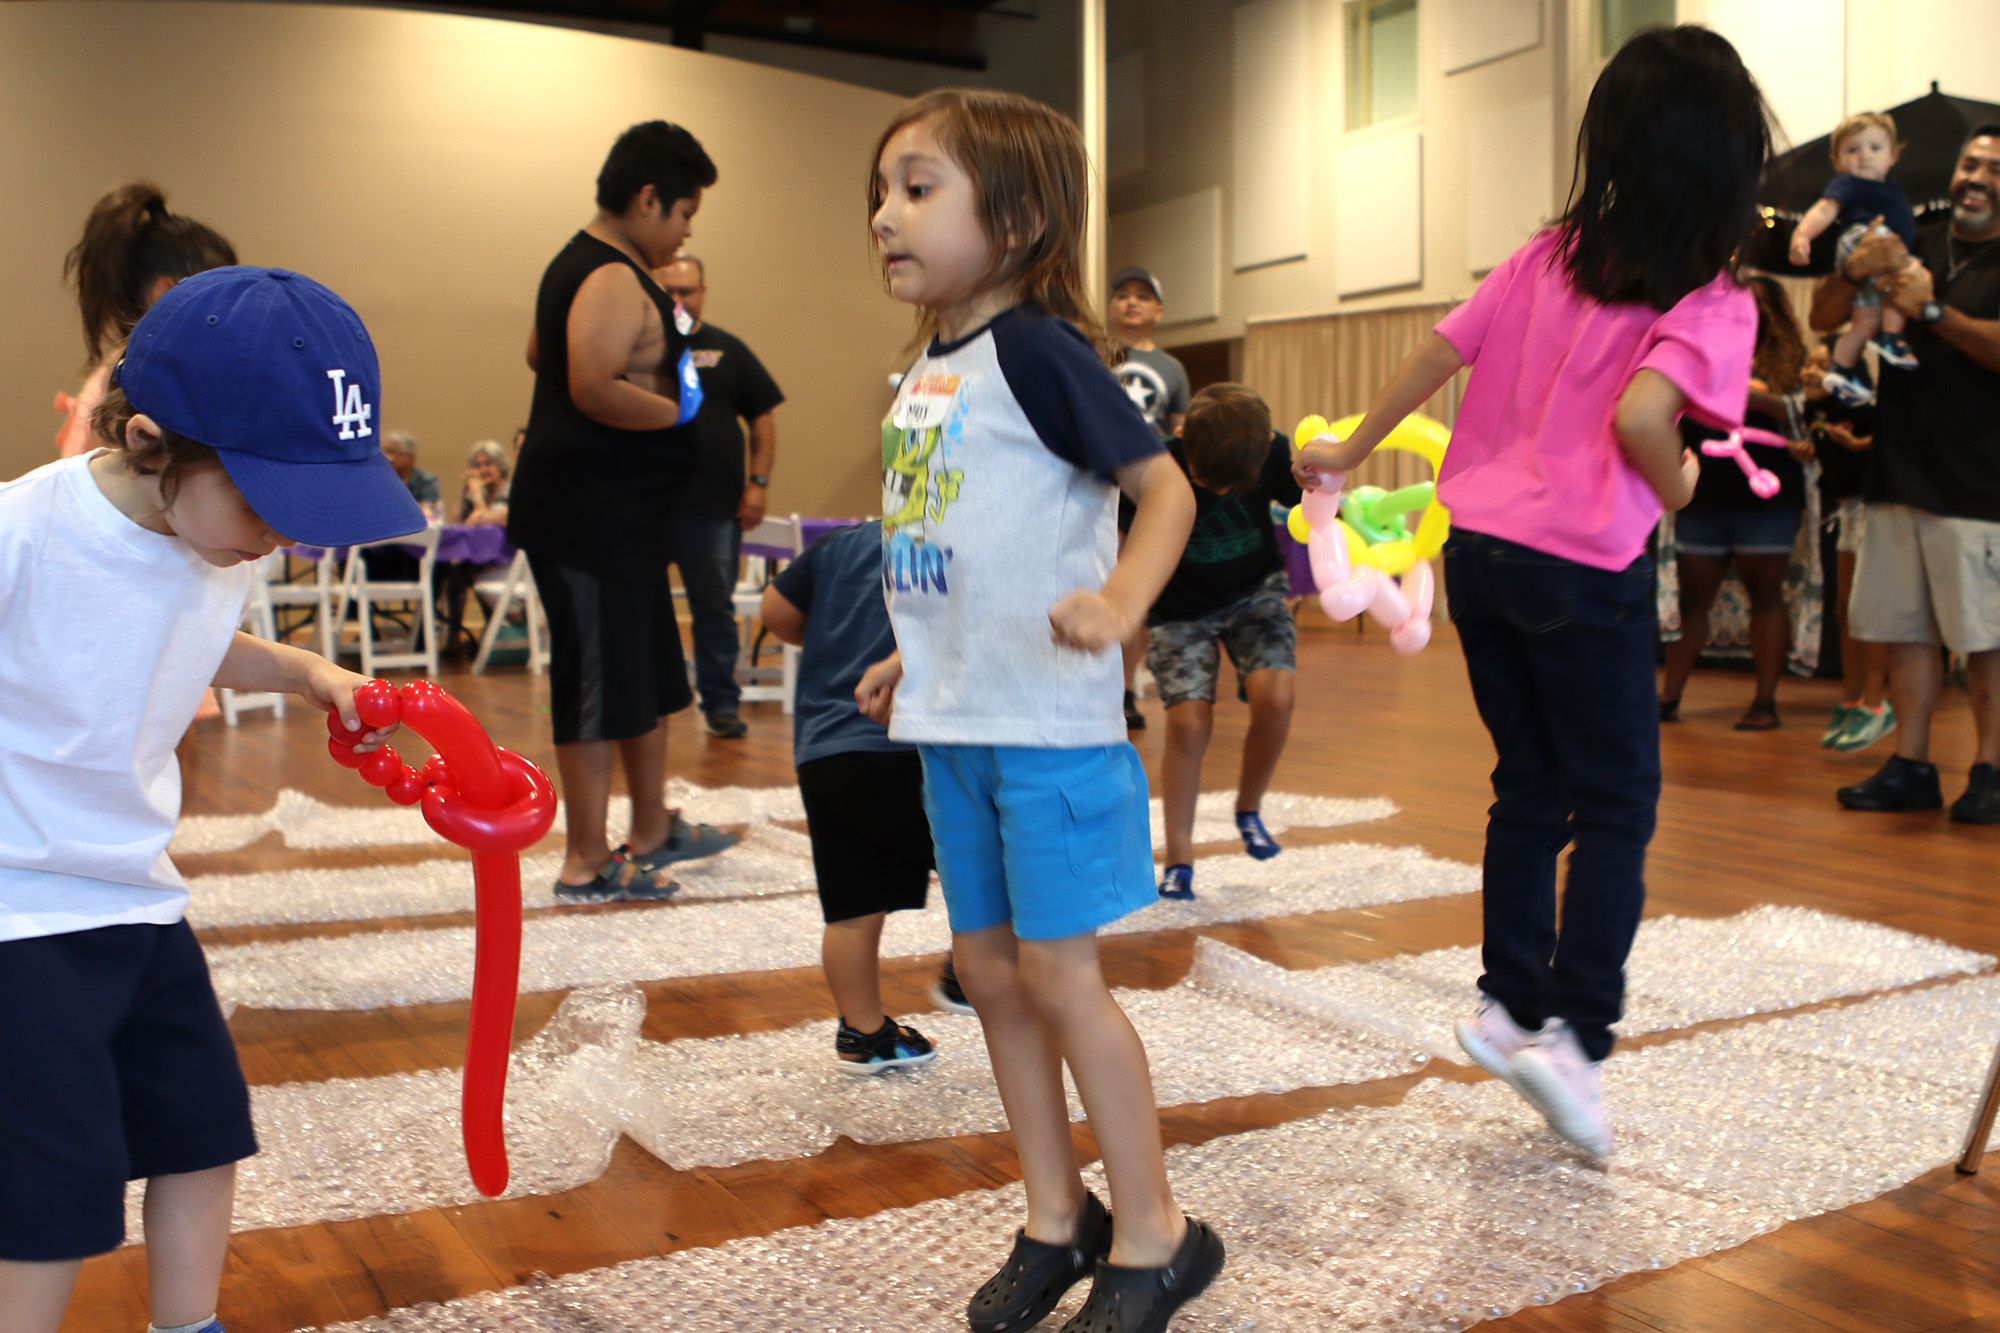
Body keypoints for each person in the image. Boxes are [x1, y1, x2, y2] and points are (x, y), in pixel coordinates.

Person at [1297, 26, 1769, 1157]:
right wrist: (1684, 479)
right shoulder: (1707, 294)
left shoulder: (1544, 255)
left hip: (1483, 556)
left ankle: (1507, 1004)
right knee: (1614, 804)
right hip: (1580, 565)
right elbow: (1643, 419)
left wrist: (1349, 449)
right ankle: (1575, 1039)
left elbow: (1436, 353)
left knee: (1528, 787)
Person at [858, 88, 1222, 1333]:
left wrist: (1123, 601)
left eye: (918, 189)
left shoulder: (1043, 351)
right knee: (987, 973)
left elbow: (1162, 494)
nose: (883, 214)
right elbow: (965, 539)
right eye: (884, 190)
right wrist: (920, 655)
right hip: (959, 719)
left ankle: (1158, 1234)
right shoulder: (927, 368)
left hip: (1049, 729)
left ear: (1013, 218)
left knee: (1059, 980)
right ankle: (1055, 1218)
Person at [0, 266, 422, 1333]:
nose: (283, 534)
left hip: (138, 898)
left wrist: (309, 674)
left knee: (201, 1129)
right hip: (20, 911)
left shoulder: (212, 541)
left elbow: (185, 638)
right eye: (269, 498)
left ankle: (188, 1327)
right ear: (149, 442)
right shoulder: (24, 532)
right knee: (53, 1186)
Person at [506, 121, 737, 902]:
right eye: (682, 214)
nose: (685, 231)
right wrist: (676, 415)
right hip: (587, 515)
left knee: (647, 668)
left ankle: (649, 826)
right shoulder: (606, 272)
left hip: (623, 516)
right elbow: (588, 383)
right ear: (646, 199)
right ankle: (585, 859)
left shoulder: (597, 267)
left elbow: (544, 350)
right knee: (597, 682)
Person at [1817, 125, 2000, 823]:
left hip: (1980, 485)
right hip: (1897, 472)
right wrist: (1855, 267)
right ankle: (1912, 765)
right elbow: (1822, 316)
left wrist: (1931, 310)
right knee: (1908, 630)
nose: (1977, 177)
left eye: (1995, 168)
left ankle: (1990, 769)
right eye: (1969, 162)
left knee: (1985, 637)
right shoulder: (1910, 235)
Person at [761, 520, 969, 1070]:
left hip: (823, 750)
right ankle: (968, 976)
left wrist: (834, 632)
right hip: (905, 745)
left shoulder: (841, 541)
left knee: (852, 905)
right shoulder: (964, 537)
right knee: (979, 866)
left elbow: (775, 613)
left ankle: (864, 1032)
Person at [1124, 384, 1300, 900]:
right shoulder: (1154, 466)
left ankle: (1248, 807)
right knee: (1187, 721)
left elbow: (1313, 507)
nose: (1221, 494)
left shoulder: (1274, 450)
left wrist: (1324, 482)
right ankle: (1179, 855)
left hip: (1255, 592)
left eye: (1233, 484)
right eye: (1208, 482)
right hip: (1179, 609)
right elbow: (1125, 543)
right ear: (1181, 437)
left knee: (1278, 697)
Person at [1658, 274, 1810, 731]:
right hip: (1704, 495)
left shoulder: (1792, 363)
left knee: (1766, 594)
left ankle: (1765, 702)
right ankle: (1667, 699)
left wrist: (1762, 400)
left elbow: (1804, 420)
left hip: (1768, 497)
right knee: (1693, 599)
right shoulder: (1700, 353)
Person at [652, 254, 786, 740]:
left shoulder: (726, 350)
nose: (680, 300)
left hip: (713, 509)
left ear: (704, 292)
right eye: (670, 291)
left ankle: (721, 705)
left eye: (688, 291)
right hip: (648, 506)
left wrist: (759, 483)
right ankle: (648, 704)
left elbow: (764, 417)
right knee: (643, 607)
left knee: (714, 610)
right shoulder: (639, 347)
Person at [54, 182, 236, 459]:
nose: (234, 306)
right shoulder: (130, 383)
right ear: (165, 291)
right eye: (221, 291)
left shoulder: (202, 368)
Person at [1800, 343, 1896, 751]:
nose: (1810, 372)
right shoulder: (1815, 413)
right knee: (1843, 609)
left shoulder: (1869, 411)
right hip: (1844, 513)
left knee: (1868, 609)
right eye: (1809, 363)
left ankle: (1876, 704)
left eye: (1823, 366)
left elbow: (1894, 444)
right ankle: (1851, 698)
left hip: (1874, 510)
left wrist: (1860, 446)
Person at [1108, 265, 1192, 732]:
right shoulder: (1093, 353)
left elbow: (1181, 430)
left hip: (1146, 485)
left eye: (1143, 296)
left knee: (1134, 588)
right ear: (1110, 306)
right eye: (1123, 295)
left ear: (1158, 310)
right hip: (1101, 482)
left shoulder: (1171, 369)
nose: (1132, 302)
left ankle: (1124, 689)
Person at [1788, 111, 1920, 403]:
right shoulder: (1848, 184)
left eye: (1875, 148)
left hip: (1875, 251)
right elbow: (1824, 209)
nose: (1864, 156)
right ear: (1836, 161)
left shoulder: (1894, 188)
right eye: (1852, 149)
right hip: (1863, 238)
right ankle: (1893, 338)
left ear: (1893, 155)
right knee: (1909, 274)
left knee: (1864, 323)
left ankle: (1841, 370)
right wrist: (1802, 236)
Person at [458, 439, 511, 527]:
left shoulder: (510, 492)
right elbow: (453, 523)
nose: (482, 470)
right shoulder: (478, 493)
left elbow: (486, 526)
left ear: (500, 465)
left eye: (488, 464)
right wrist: (461, 491)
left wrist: (477, 493)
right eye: (477, 466)